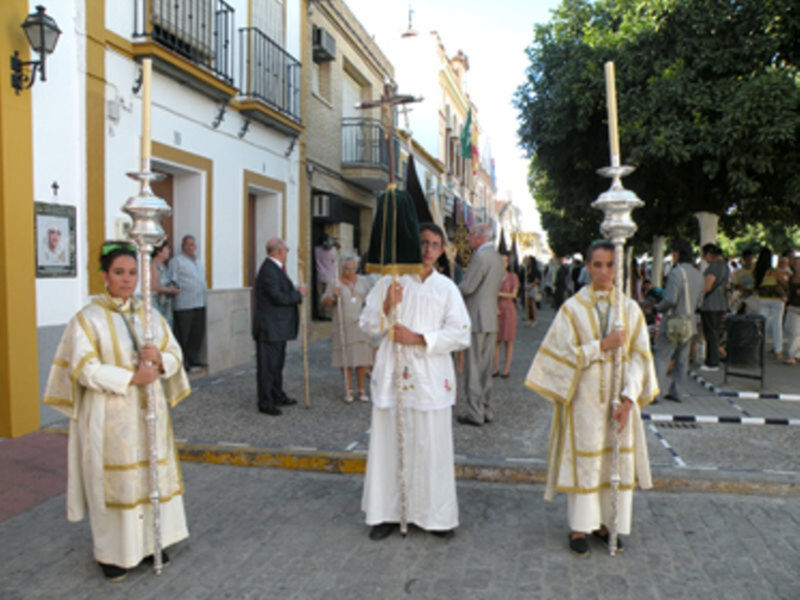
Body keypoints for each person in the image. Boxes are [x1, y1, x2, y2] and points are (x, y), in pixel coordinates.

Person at [42, 241, 191, 582]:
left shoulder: (150, 314)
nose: (127, 280)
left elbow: (175, 353)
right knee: (117, 482)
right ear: (105, 276)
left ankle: (153, 542)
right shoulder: (87, 319)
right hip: (111, 413)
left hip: (149, 413)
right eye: (119, 273)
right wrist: (131, 377)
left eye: (133, 273)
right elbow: (84, 368)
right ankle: (114, 554)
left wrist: (160, 361)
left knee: (150, 476)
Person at [524, 240, 658, 557]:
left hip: (619, 402)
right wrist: (602, 345)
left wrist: (629, 400)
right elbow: (559, 356)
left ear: (618, 268)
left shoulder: (630, 310)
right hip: (584, 400)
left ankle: (606, 523)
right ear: (587, 267)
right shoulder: (571, 310)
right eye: (597, 264)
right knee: (587, 461)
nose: (604, 271)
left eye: (610, 264)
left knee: (613, 462)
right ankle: (580, 527)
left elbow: (641, 356)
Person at [359, 222, 471, 540]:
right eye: (423, 243)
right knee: (390, 444)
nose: (428, 250)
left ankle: (435, 515)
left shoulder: (447, 288)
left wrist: (420, 338)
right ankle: (386, 513)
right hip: (394, 375)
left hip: (431, 377)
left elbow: (461, 332)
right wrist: (385, 306)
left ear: (442, 250)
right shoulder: (390, 281)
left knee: (430, 445)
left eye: (435, 244)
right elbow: (367, 325)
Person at [252, 238, 308, 416]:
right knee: (268, 367)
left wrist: (294, 291)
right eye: (286, 250)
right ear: (278, 252)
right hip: (270, 327)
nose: (287, 253)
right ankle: (266, 401)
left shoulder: (276, 269)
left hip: (278, 328)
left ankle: (277, 394)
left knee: (276, 365)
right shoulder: (269, 270)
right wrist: (297, 294)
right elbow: (278, 297)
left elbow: (282, 292)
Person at [457, 222, 505, 426]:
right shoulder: (497, 257)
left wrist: (451, 288)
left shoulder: (480, 256)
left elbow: (468, 287)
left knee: (474, 367)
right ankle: (486, 409)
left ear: (480, 236)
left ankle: (474, 412)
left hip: (476, 317)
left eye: (470, 235)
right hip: (490, 317)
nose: (468, 239)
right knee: (486, 367)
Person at [653, 239, 704, 402]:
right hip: (690, 323)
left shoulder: (676, 272)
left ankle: (655, 393)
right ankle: (677, 392)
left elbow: (670, 299)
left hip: (673, 322)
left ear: (677, 253)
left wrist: (657, 307)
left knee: (662, 355)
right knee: (682, 359)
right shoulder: (699, 274)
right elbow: (700, 302)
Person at [321, 252, 374, 402]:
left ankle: (361, 389)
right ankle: (348, 389)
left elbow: (371, 300)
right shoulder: (334, 283)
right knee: (345, 359)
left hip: (360, 324)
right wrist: (333, 296)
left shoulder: (363, 281)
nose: (350, 272)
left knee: (362, 358)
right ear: (341, 269)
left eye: (352, 268)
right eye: (346, 269)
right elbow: (325, 302)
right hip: (343, 325)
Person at [170, 235, 208, 370]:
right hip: (184, 303)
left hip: (199, 302)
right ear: (182, 246)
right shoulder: (177, 261)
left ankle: (194, 358)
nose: (190, 247)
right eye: (187, 244)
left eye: (192, 244)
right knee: (183, 334)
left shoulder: (198, 261)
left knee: (197, 332)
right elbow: (172, 279)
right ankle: (183, 360)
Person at [699, 243, 729, 372]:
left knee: (710, 333)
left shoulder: (714, 267)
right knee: (715, 332)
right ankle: (714, 359)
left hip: (710, 304)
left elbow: (707, 286)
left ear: (710, 254)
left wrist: (698, 297)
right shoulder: (725, 266)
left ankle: (712, 362)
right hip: (721, 303)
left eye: (704, 255)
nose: (704, 259)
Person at [754, 246, 788, 358]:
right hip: (777, 300)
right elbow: (783, 284)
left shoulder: (756, 271)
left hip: (762, 300)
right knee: (777, 325)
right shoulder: (774, 271)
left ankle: (758, 348)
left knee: (761, 325)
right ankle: (778, 350)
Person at [493, 252, 520, 378]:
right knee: (496, 340)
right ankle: (495, 367)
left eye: (505, 261)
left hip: (508, 309)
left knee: (508, 340)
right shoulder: (494, 276)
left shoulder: (512, 277)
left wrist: (499, 294)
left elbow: (514, 295)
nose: (502, 263)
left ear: (508, 263)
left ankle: (506, 369)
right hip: (496, 309)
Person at [151, 241, 179, 328]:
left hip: (167, 305)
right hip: (157, 304)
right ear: (159, 251)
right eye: (166, 249)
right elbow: (154, 286)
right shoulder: (153, 265)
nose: (169, 251)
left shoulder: (164, 265)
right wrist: (171, 290)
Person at [314, 236, 337, 320]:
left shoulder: (316, 250)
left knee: (320, 295)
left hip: (319, 276)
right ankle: (327, 314)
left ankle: (321, 313)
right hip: (330, 277)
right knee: (328, 295)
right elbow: (335, 262)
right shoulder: (332, 251)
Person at [784, 253, 800, 365]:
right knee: (791, 330)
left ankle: (793, 355)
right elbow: (788, 291)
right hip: (793, 306)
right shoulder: (791, 277)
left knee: (796, 333)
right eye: (796, 264)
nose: (797, 266)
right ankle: (794, 354)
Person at [731, 249, 756, 314]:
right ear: (744, 259)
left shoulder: (757, 271)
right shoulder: (739, 272)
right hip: (743, 299)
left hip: (755, 298)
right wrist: (744, 289)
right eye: (747, 259)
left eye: (750, 259)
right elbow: (735, 285)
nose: (749, 261)